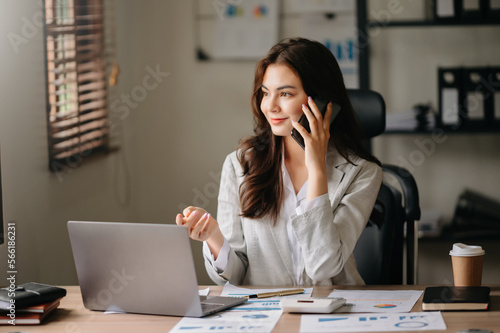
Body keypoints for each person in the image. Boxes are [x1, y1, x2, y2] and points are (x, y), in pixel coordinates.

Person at [176, 37, 382, 286]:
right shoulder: (240, 165)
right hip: (267, 315)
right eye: (265, 93)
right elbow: (234, 277)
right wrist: (213, 236)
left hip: (334, 313)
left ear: (321, 102)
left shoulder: (362, 173)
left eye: (285, 93)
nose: (270, 106)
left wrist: (316, 170)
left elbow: (323, 267)